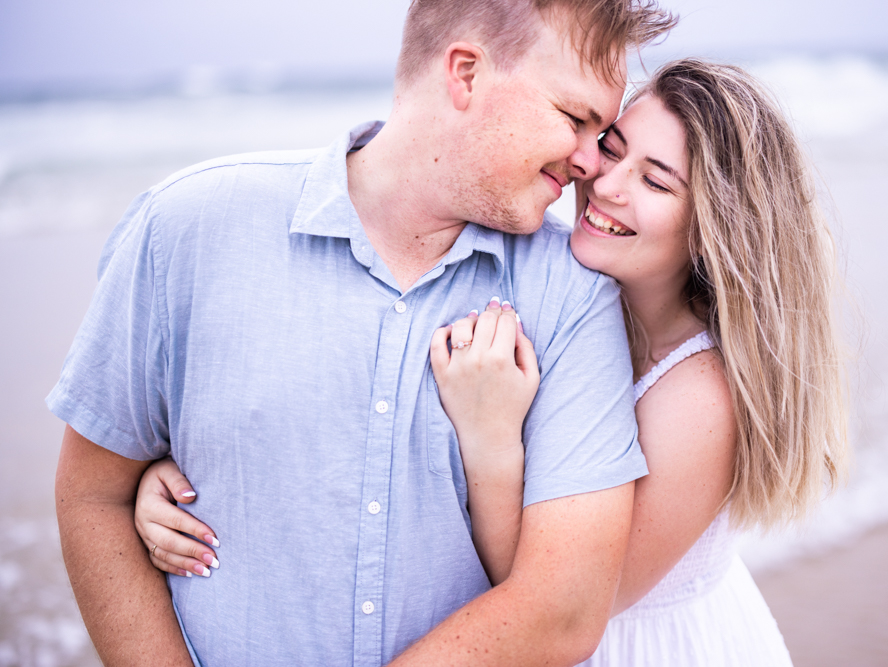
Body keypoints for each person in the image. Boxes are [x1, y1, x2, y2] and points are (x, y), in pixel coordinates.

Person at [139, 58, 849, 665]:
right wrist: (189, 480)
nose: (604, 184)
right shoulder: (581, 296)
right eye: (612, 145)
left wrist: (490, 438)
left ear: (715, 227)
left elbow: (561, 603)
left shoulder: (701, 395)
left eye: (656, 181)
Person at [47, 1, 677, 665]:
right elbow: (94, 494)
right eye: (575, 118)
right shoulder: (189, 226)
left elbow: (564, 611)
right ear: (465, 75)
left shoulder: (574, 291)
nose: (589, 163)